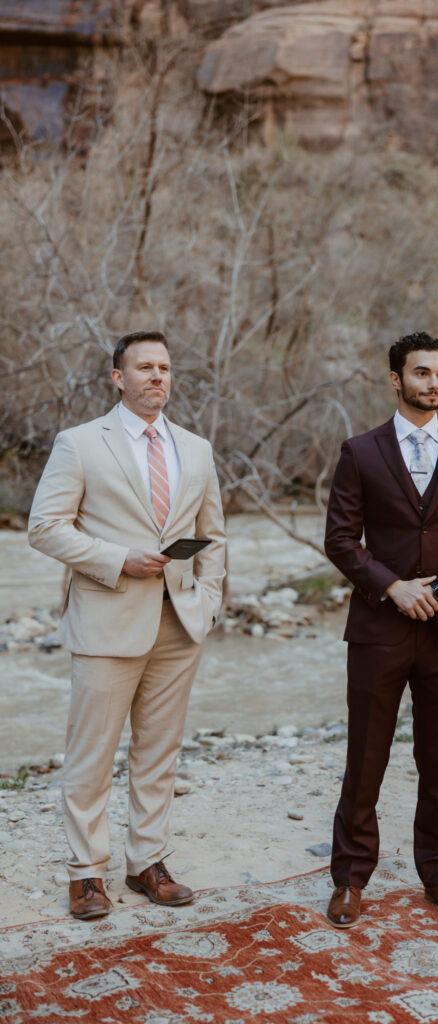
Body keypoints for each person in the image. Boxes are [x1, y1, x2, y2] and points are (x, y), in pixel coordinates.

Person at [28, 331, 226, 920]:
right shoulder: (80, 443)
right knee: (91, 755)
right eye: (143, 367)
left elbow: (213, 533)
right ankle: (87, 874)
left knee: (159, 752)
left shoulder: (197, 448)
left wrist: (210, 599)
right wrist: (117, 560)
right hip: (107, 616)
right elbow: (45, 526)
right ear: (119, 377)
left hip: (179, 620)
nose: (156, 376)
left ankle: (148, 862)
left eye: (164, 367)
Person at [323, 331, 438, 928]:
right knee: (366, 755)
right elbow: (341, 540)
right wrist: (393, 587)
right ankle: (350, 878)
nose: (434, 384)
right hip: (380, 626)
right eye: (422, 373)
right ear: (396, 379)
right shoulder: (361, 452)